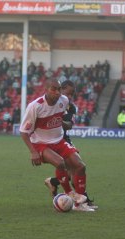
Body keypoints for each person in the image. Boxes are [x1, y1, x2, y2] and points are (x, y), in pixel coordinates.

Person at [20, 78, 95, 212]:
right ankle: (69, 193)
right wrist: (33, 152)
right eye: (53, 89)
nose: (57, 92)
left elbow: (67, 122)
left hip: (59, 141)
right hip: (40, 144)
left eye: (59, 89)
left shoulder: (64, 101)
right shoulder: (35, 106)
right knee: (60, 163)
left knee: (80, 166)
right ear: (46, 90)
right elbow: (24, 132)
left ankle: (79, 204)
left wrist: (62, 121)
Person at [43, 80, 97, 209]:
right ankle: (81, 201)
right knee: (75, 169)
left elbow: (69, 125)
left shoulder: (70, 107)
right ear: (61, 89)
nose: (70, 97)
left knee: (75, 169)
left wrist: (58, 120)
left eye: (73, 94)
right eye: (69, 93)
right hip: (52, 140)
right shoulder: (48, 104)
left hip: (65, 139)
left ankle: (53, 182)